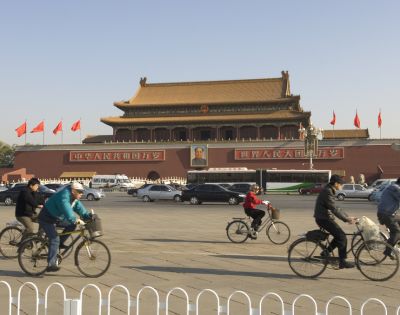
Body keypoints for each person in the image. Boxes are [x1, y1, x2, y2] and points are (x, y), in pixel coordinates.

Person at [38, 182, 92, 272]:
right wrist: (74, 219)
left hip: (56, 218)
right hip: (46, 218)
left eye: (82, 192)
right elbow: (67, 209)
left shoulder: (73, 198)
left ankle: (59, 243)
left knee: (72, 225)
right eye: (79, 192)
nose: (81, 194)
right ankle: (51, 264)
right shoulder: (64, 196)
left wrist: (88, 216)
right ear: (73, 191)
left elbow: (79, 208)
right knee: (55, 238)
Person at [314, 174, 357, 269]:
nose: (342, 186)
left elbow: (336, 208)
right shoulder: (327, 191)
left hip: (325, 218)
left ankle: (326, 252)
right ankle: (342, 261)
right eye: (341, 184)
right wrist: (346, 219)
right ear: (336, 183)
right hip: (323, 219)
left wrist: (348, 217)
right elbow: (334, 208)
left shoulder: (330, 190)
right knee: (342, 237)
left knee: (339, 236)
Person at [377, 177, 400, 258]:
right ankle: (388, 251)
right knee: (397, 232)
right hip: (386, 214)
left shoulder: (393, 186)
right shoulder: (396, 188)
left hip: (388, 213)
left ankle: (396, 244)